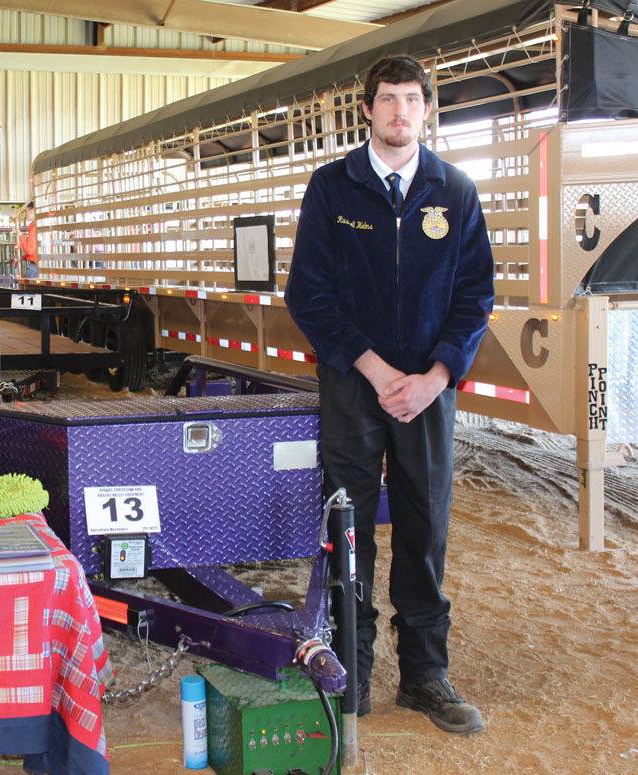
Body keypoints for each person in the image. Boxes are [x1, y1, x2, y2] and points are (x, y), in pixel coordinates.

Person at [285, 56, 494, 734]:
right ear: (367, 110)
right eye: (388, 100)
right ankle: (351, 670)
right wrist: (374, 370)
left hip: (430, 390)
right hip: (353, 383)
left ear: (428, 110)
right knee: (348, 527)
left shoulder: (454, 192)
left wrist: (437, 377)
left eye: (412, 99)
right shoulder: (332, 189)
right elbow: (307, 293)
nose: (400, 111)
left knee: (424, 523)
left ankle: (426, 675)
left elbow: (475, 297)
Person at [18, 201, 39, 279]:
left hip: (35, 267)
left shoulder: (34, 228)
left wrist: (20, 236)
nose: (25, 214)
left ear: (32, 211)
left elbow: (30, 250)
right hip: (40, 265)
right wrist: (24, 257)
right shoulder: (39, 225)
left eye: (26, 211)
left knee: (25, 289)